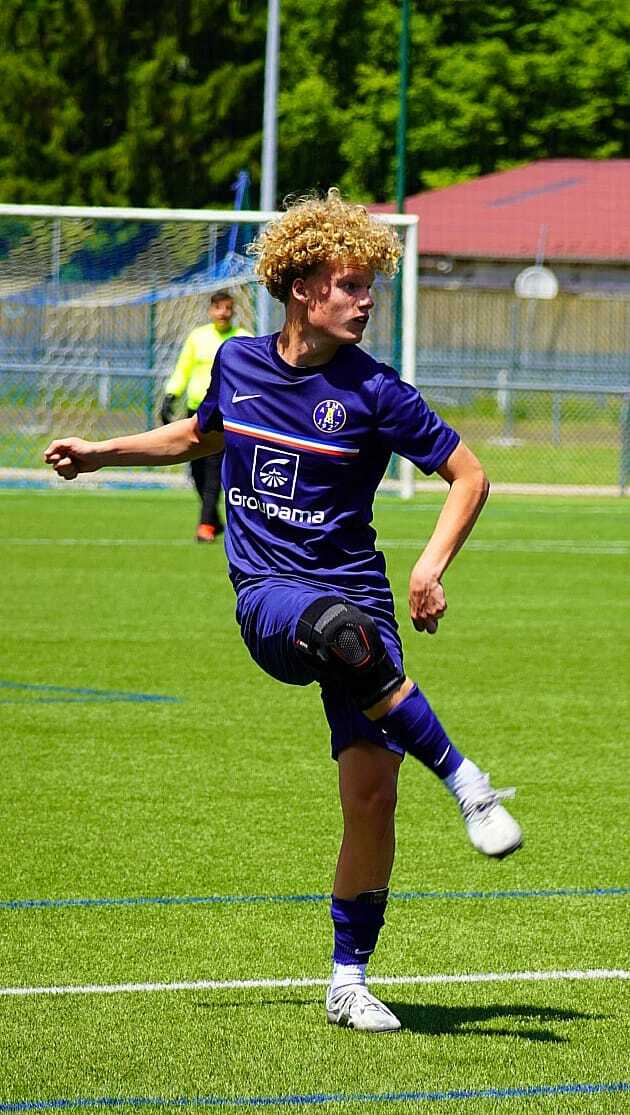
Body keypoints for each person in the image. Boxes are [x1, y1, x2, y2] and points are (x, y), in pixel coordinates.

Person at [44, 189, 522, 1034]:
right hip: (270, 596)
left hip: (358, 595)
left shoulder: (377, 390)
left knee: (372, 798)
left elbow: (470, 474)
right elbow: (201, 434)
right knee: (339, 635)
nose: (366, 301)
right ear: (303, 288)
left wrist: (429, 565)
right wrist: (101, 451)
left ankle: (348, 980)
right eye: (350, 285)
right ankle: (469, 782)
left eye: (370, 286)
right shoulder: (238, 363)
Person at [160, 289, 252, 542]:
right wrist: (171, 395)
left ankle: (205, 526)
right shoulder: (198, 337)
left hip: (227, 415)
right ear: (211, 311)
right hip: (196, 411)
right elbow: (183, 368)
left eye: (228, 308)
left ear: (233, 311)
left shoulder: (243, 339)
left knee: (213, 470)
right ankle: (214, 519)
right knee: (196, 471)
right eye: (218, 308)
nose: (223, 313)